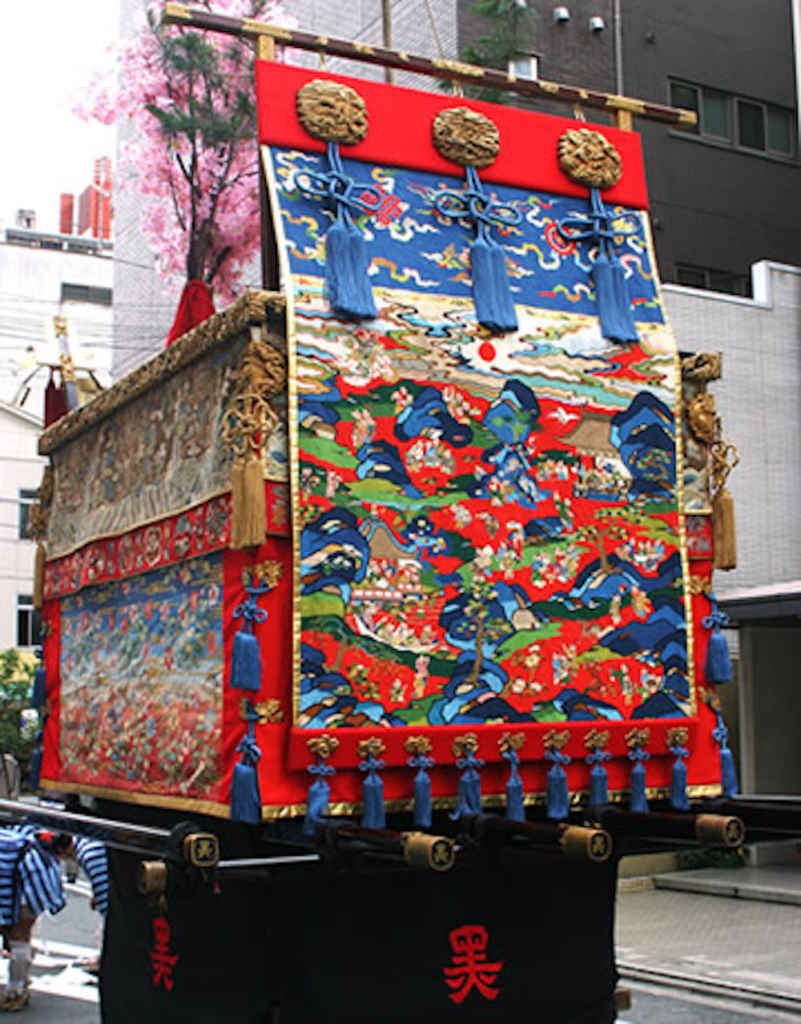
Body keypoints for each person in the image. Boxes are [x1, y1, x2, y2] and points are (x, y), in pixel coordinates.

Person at [0, 826, 72, 1011]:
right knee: (20, 935)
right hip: (26, 868)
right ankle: (19, 983)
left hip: (20, 873)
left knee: (19, 935)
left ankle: (15, 990)